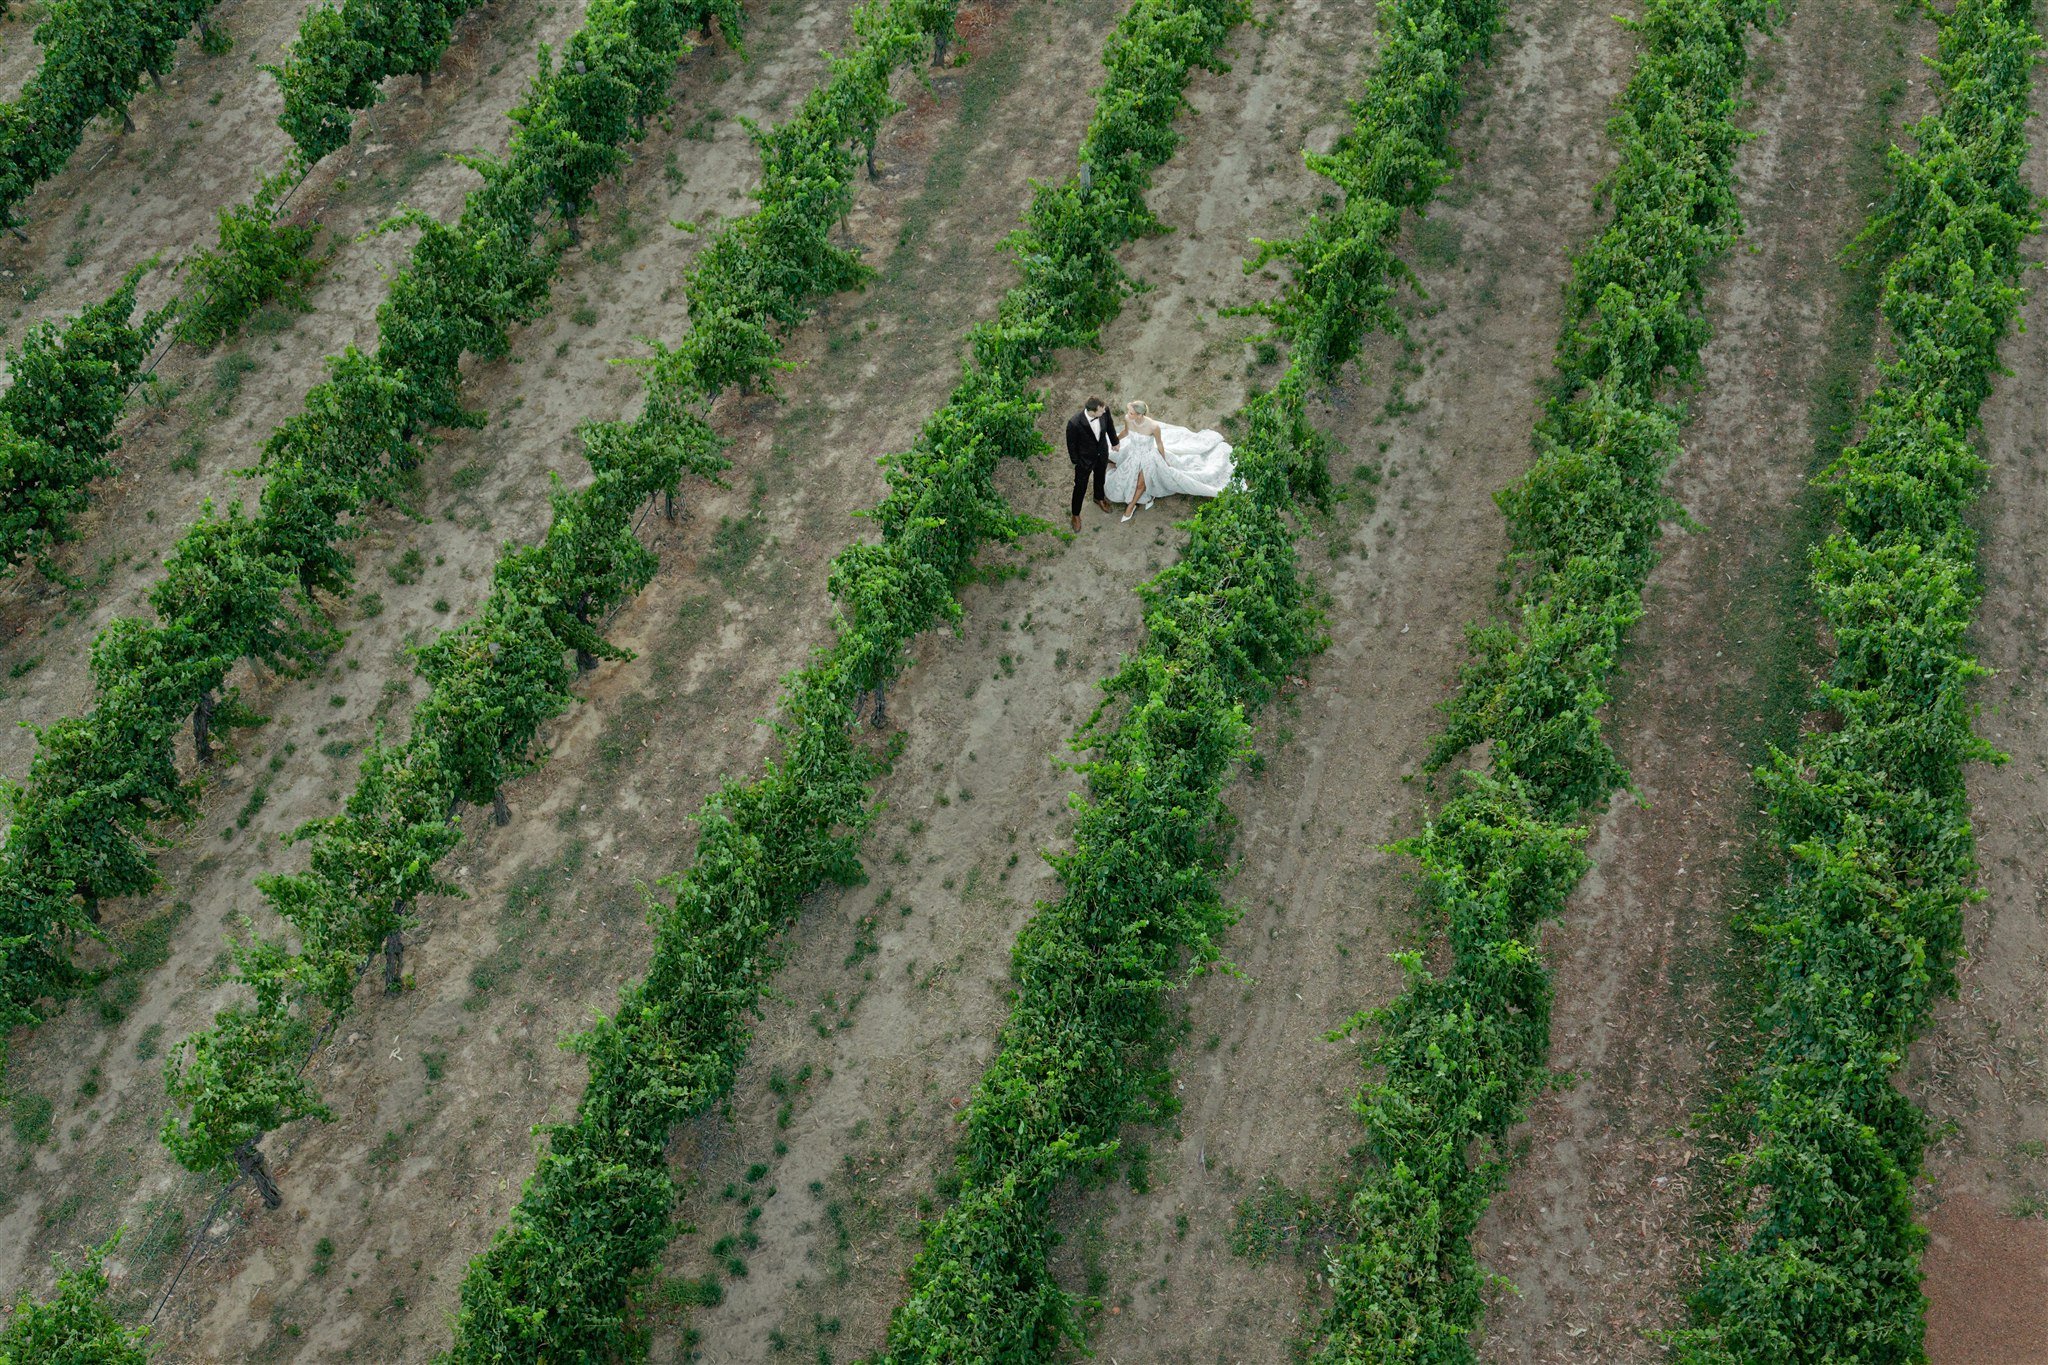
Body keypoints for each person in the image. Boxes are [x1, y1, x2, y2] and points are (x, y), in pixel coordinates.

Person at [1103, 399, 1235, 521]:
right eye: (1129, 412)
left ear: (1139, 414)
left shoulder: (1153, 426)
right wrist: (1115, 442)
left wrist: (1163, 460)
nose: (1128, 414)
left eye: (1131, 413)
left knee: (1140, 484)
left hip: (1148, 457)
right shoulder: (1128, 419)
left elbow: (1159, 444)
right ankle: (1143, 494)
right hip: (1133, 454)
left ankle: (1130, 507)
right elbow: (1126, 432)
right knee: (1124, 475)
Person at [1064, 398, 1119, 532]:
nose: (1104, 411)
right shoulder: (1074, 423)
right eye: (1101, 410)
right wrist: (1077, 461)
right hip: (1085, 460)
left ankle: (1099, 498)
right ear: (1092, 411)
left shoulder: (1104, 412)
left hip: (1101, 453)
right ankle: (1076, 514)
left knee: (1100, 477)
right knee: (1080, 487)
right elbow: (1071, 445)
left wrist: (1114, 442)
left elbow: (1110, 426)